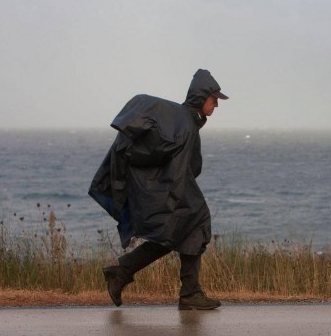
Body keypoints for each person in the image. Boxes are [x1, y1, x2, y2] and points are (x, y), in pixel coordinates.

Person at [88, 69, 228, 310]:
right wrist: (174, 199)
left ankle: (125, 272)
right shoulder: (185, 124)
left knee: (183, 231)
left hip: (170, 188)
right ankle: (187, 292)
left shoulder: (185, 120)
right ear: (201, 97)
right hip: (173, 189)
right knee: (194, 222)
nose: (216, 104)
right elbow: (180, 169)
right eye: (213, 99)